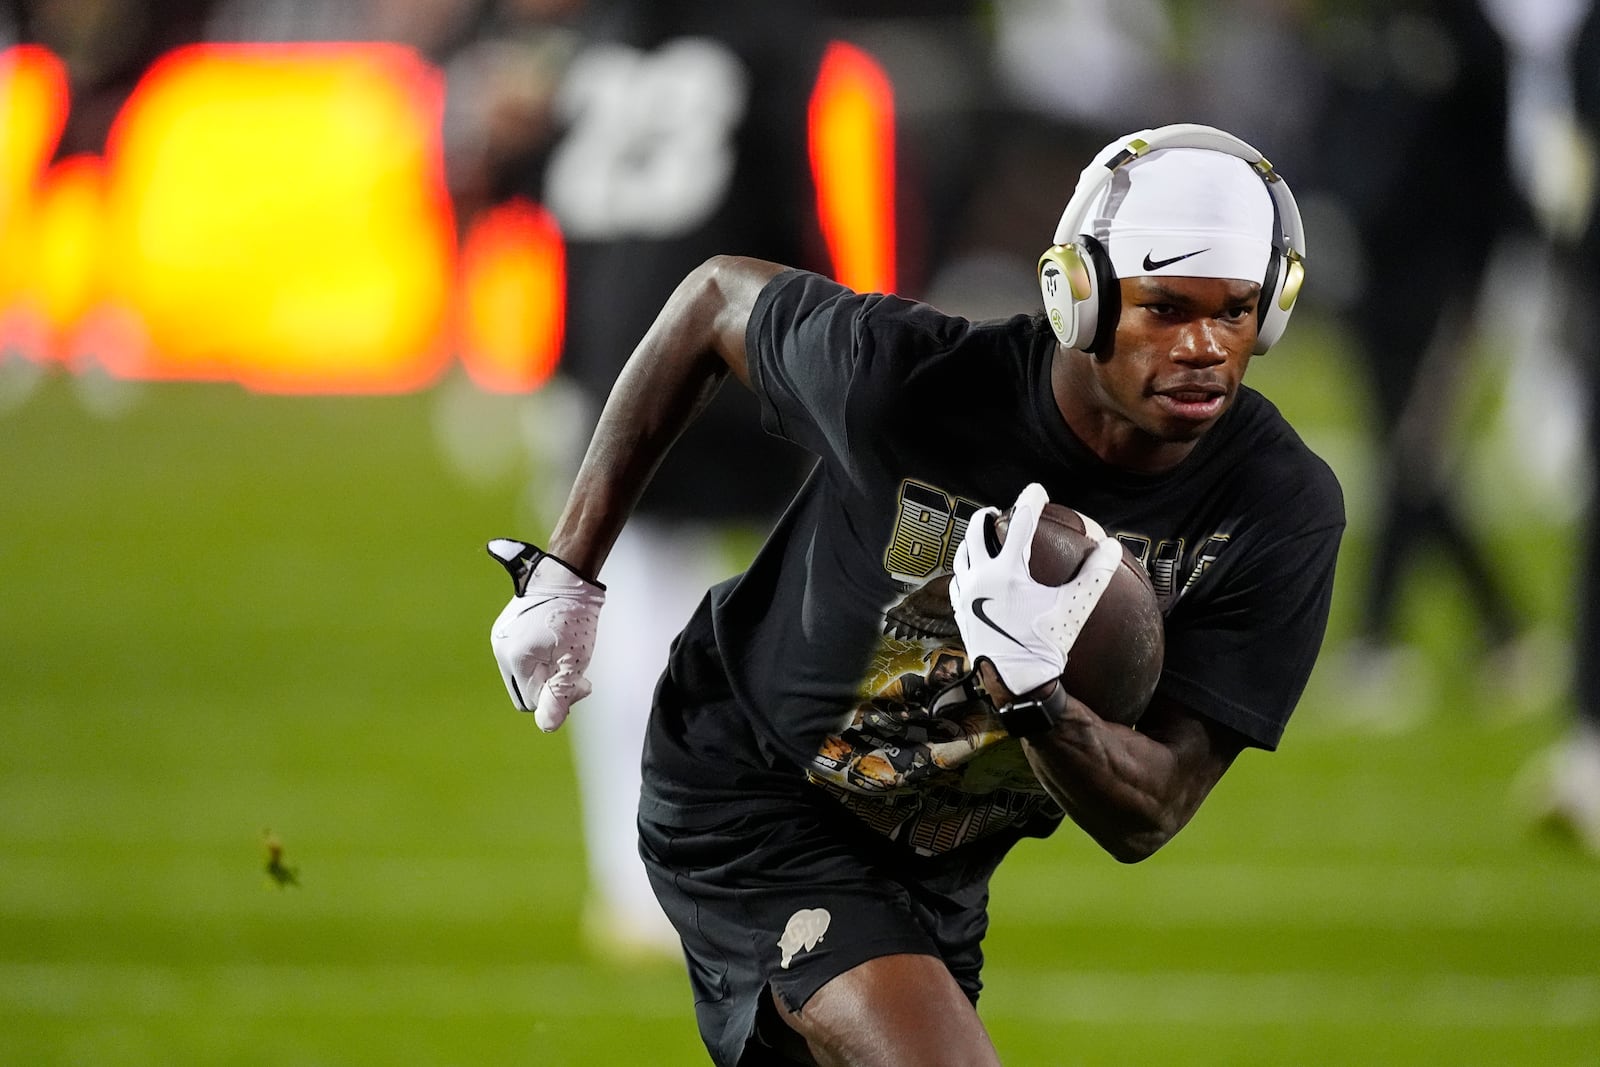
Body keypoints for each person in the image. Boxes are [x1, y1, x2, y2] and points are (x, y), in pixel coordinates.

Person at [485, 123, 1344, 1065]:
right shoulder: (910, 380)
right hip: (755, 786)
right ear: (1081, 296)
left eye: (1235, 312)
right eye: (1168, 306)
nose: (1204, 347)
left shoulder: (1275, 506)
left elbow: (1154, 808)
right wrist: (570, 569)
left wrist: (1037, 702)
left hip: (938, 857)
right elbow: (711, 298)